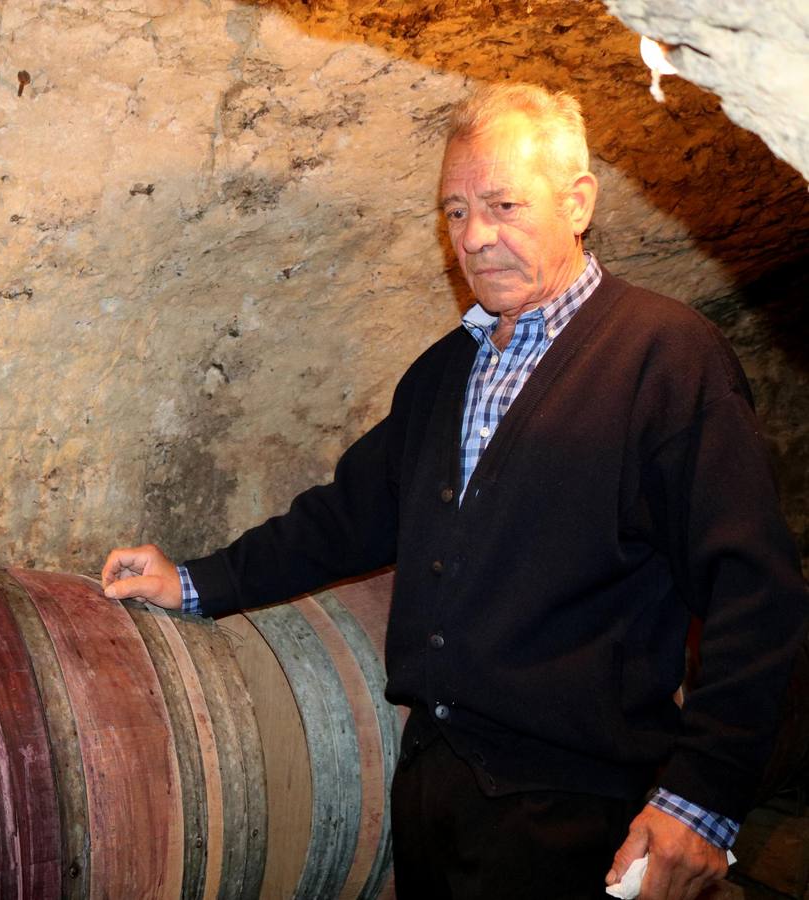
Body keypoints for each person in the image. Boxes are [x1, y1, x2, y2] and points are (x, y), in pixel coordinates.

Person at [101, 82, 808, 900]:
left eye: (503, 204)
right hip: (434, 793)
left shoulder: (666, 358)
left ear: (578, 202)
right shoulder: (444, 371)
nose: (476, 237)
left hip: (576, 815)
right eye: (456, 213)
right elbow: (344, 518)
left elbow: (754, 588)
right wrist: (195, 580)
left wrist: (702, 799)